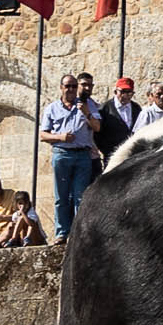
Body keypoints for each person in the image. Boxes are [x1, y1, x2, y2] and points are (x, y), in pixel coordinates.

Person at [38, 73, 102, 242]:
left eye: (74, 86)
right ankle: (62, 233)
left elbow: (96, 127)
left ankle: (78, 234)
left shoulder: (87, 105)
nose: (72, 90)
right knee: (62, 197)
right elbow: (43, 135)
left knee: (80, 196)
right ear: (61, 88)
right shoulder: (52, 108)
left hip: (83, 155)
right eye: (68, 86)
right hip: (62, 154)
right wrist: (61, 137)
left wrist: (86, 112)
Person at [96, 77, 145, 161]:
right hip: (112, 155)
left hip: (131, 154)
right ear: (115, 92)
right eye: (122, 92)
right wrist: (106, 150)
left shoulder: (136, 108)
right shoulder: (105, 109)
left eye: (129, 92)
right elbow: (97, 134)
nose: (125, 95)